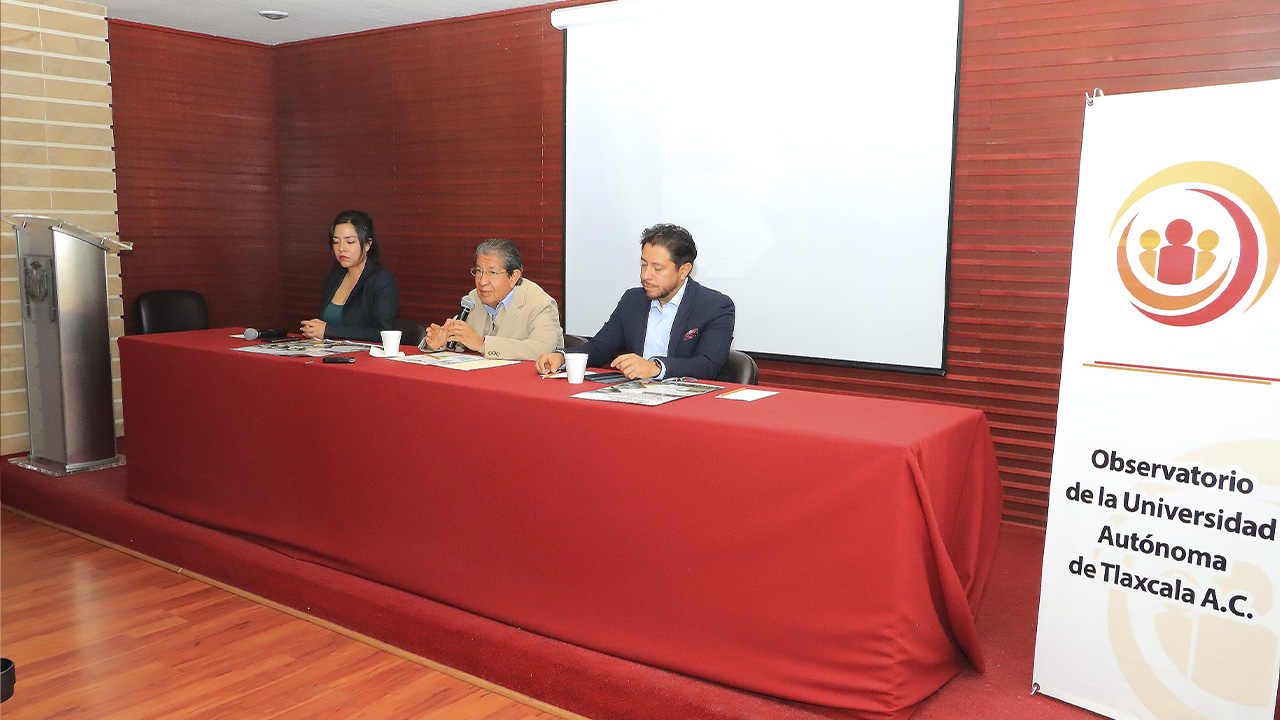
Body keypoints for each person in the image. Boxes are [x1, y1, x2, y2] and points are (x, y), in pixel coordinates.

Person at [535, 223, 734, 381]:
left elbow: (707, 365)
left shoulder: (714, 306)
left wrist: (655, 368)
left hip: (689, 407)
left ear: (684, 270)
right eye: (643, 264)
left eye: (657, 268)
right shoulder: (633, 300)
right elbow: (599, 347)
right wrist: (562, 357)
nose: (646, 275)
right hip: (636, 398)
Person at [422, 239, 563, 360]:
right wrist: (438, 342)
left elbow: (542, 349)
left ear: (513, 277)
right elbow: (454, 336)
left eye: (492, 272)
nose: (482, 281)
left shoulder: (540, 304)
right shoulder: (474, 298)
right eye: (479, 271)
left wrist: (482, 344)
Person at [300, 210, 399, 342]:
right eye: (336, 242)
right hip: (330, 354)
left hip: (363, 358)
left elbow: (383, 333)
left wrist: (328, 331)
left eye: (350, 242)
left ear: (367, 244)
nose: (341, 248)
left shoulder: (382, 280)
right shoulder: (333, 278)